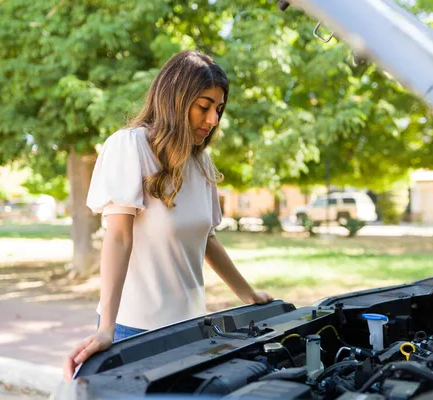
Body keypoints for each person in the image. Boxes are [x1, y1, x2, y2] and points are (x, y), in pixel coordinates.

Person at [62, 50, 274, 381]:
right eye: (204, 107)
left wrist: (248, 296)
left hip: (192, 331)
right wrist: (106, 328)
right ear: (175, 99)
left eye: (218, 109)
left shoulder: (200, 162)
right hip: (135, 333)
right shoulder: (130, 147)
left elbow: (207, 240)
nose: (213, 120)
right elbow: (118, 237)